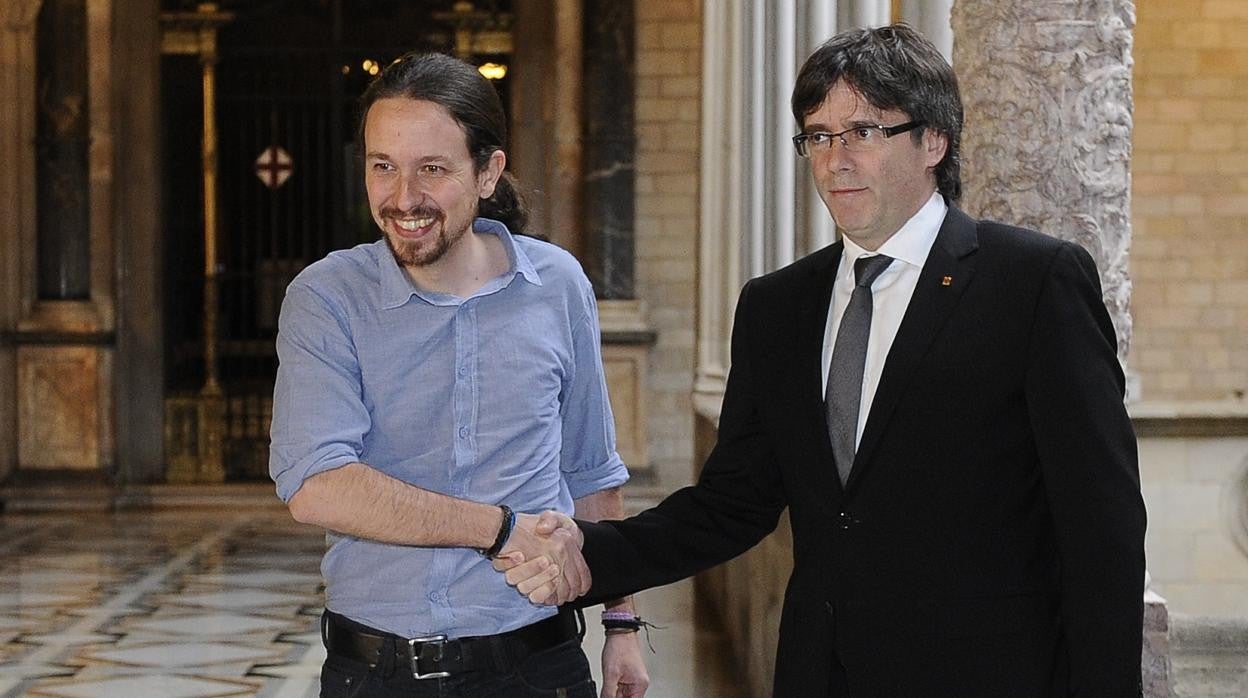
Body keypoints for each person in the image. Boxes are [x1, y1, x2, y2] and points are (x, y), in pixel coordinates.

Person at [502, 24, 1147, 697]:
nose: (835, 159)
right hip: (821, 672)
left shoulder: (1033, 283)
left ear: (934, 140)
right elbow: (733, 503)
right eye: (818, 135)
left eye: (863, 132)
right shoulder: (778, 307)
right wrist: (591, 551)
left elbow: (1101, 524)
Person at [269, 51, 649, 697]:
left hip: (540, 668)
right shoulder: (328, 296)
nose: (403, 198)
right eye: (382, 166)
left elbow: (591, 470)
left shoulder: (556, 282)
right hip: (377, 673)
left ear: (487, 172)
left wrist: (622, 623)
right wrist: (502, 530)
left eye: (432, 170)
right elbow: (317, 484)